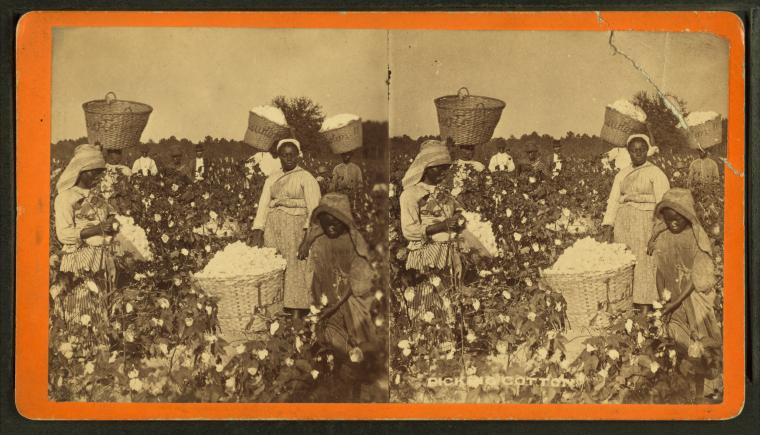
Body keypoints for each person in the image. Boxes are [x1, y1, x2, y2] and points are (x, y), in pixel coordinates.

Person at [648, 188, 720, 401]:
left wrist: (676, 301)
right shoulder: (663, 238)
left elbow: (695, 280)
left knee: (699, 346)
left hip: (691, 298)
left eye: (677, 219)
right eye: (669, 220)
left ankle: (702, 390)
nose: (673, 224)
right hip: (672, 300)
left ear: (687, 216)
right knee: (677, 345)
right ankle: (682, 387)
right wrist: (663, 300)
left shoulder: (696, 239)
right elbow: (660, 271)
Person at [297, 193, 379, 362]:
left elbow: (355, 282)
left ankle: (354, 350)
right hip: (330, 296)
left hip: (350, 298)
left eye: (336, 223)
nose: (331, 228)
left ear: (345, 221)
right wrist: (318, 301)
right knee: (321, 329)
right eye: (326, 224)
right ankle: (340, 350)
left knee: (357, 329)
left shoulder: (355, 244)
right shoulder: (321, 242)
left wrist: (335, 306)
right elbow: (316, 273)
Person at [52, 144, 120, 347]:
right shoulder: (66, 197)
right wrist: (98, 228)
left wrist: (112, 226)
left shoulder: (98, 196)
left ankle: (100, 352)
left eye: (100, 173)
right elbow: (64, 235)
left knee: (100, 303)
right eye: (94, 173)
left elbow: (111, 221)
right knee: (79, 305)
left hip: (101, 257)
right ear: (82, 170)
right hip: (78, 260)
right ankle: (78, 351)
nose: (98, 177)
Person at [250, 138, 321, 319]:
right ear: (279, 157)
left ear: (298, 155)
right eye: (284, 155)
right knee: (275, 266)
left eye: (292, 154)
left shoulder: (306, 178)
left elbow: (314, 211)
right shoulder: (272, 178)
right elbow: (264, 204)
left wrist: (307, 240)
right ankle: (277, 310)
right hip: (273, 229)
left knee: (296, 268)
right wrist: (258, 229)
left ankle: (297, 312)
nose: (288, 158)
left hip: (297, 229)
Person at [601, 134, 670, 312]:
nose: (637, 153)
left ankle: (647, 304)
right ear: (629, 152)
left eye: (641, 150)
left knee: (646, 264)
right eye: (633, 150)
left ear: (647, 150)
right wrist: (608, 225)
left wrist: (658, 230)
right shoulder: (622, 174)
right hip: (624, 224)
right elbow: (614, 200)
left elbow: (663, 203)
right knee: (626, 263)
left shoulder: (656, 173)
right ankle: (627, 304)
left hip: (647, 223)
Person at [399, 140, 465, 321]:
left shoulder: (444, 192)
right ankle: (426, 340)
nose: (444, 173)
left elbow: (457, 210)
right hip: (427, 252)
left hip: (447, 251)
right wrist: (441, 226)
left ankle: (448, 339)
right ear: (426, 168)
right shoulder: (411, 194)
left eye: (446, 168)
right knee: (426, 298)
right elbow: (409, 229)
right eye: (439, 168)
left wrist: (460, 218)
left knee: (448, 297)